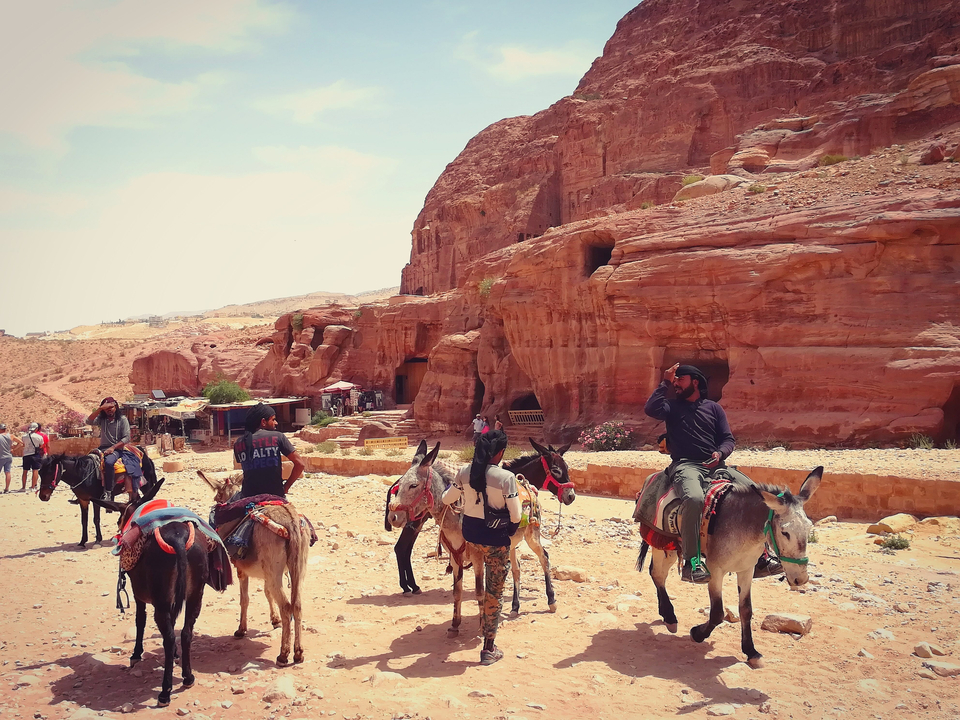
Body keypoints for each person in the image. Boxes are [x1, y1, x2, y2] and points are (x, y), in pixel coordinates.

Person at [644, 363, 754, 584]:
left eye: (679, 379)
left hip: (716, 466)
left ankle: (762, 555)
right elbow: (651, 409)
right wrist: (664, 381)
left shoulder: (714, 408)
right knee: (694, 499)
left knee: (756, 494)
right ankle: (692, 562)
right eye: (674, 381)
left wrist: (720, 453)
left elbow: (728, 439)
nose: (676, 383)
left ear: (695, 382)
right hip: (686, 466)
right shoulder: (671, 407)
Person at [441, 430, 521, 665]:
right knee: (494, 592)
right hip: (495, 541)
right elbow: (516, 515)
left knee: (478, 575)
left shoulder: (464, 472)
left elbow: (447, 499)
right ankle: (488, 648)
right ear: (501, 452)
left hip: (471, 537)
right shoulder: (506, 477)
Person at [234, 403, 305, 498]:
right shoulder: (278, 437)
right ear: (263, 422)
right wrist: (286, 487)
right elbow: (300, 464)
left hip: (248, 496)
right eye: (273, 419)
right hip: (276, 495)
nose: (276, 423)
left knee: (218, 509)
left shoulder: (239, 443)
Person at [87, 397, 131, 499]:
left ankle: (108, 492)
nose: (109, 410)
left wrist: (113, 448)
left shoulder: (122, 420)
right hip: (102, 448)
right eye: (106, 409)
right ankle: (88, 490)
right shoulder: (102, 420)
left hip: (117, 449)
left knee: (108, 462)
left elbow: (126, 438)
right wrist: (99, 409)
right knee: (88, 461)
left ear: (115, 407)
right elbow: (88, 421)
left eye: (111, 407)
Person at [20, 423, 45, 492]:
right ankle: (33, 486)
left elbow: (23, 444)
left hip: (26, 455)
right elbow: (41, 445)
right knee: (35, 470)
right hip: (35, 455)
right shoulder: (39, 437)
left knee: (25, 471)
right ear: (36, 429)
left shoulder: (24, 436)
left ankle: (23, 487)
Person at [0, 424, 23, 493]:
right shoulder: (11, 436)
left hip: (0, 457)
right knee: (7, 472)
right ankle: (7, 489)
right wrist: (14, 449)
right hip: (9, 456)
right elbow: (21, 443)